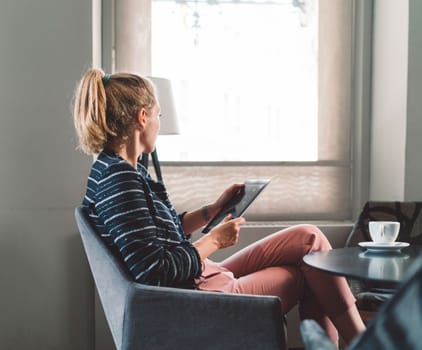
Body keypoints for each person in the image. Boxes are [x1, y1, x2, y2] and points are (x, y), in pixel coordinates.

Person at [73, 68, 365, 347]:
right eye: (158, 116)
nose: (159, 125)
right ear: (142, 117)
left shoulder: (117, 171)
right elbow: (154, 270)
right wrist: (213, 240)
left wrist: (212, 210)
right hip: (193, 296)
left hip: (199, 277)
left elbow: (154, 235)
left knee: (308, 238)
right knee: (302, 275)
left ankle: (359, 340)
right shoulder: (119, 179)